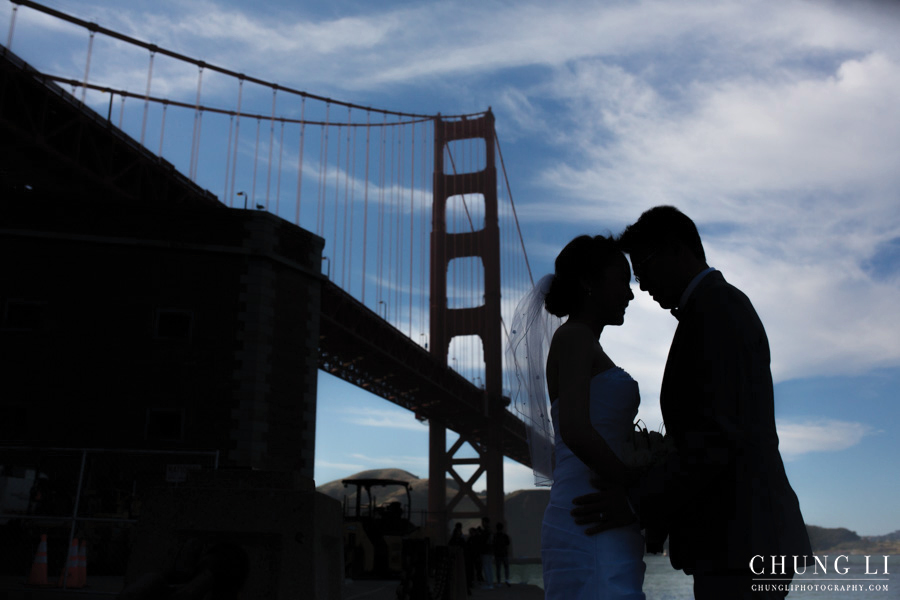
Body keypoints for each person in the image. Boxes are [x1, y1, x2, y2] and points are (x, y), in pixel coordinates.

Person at [573, 206, 812, 599]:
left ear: (675, 249)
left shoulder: (717, 309)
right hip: (740, 538)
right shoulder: (713, 308)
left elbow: (716, 437)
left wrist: (637, 504)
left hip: (742, 539)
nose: (641, 284)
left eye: (643, 266)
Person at [508, 234, 644, 599]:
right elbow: (575, 429)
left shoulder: (582, 341)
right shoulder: (574, 339)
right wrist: (635, 483)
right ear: (588, 282)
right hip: (591, 512)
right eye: (621, 279)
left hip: (597, 509)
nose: (630, 294)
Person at [493, 522, 511, 587]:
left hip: (497, 554)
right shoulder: (505, 536)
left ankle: (499, 582)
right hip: (504, 553)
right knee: (506, 567)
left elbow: (493, 545)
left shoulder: (495, 536)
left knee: (498, 568)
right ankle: (507, 579)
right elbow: (508, 544)